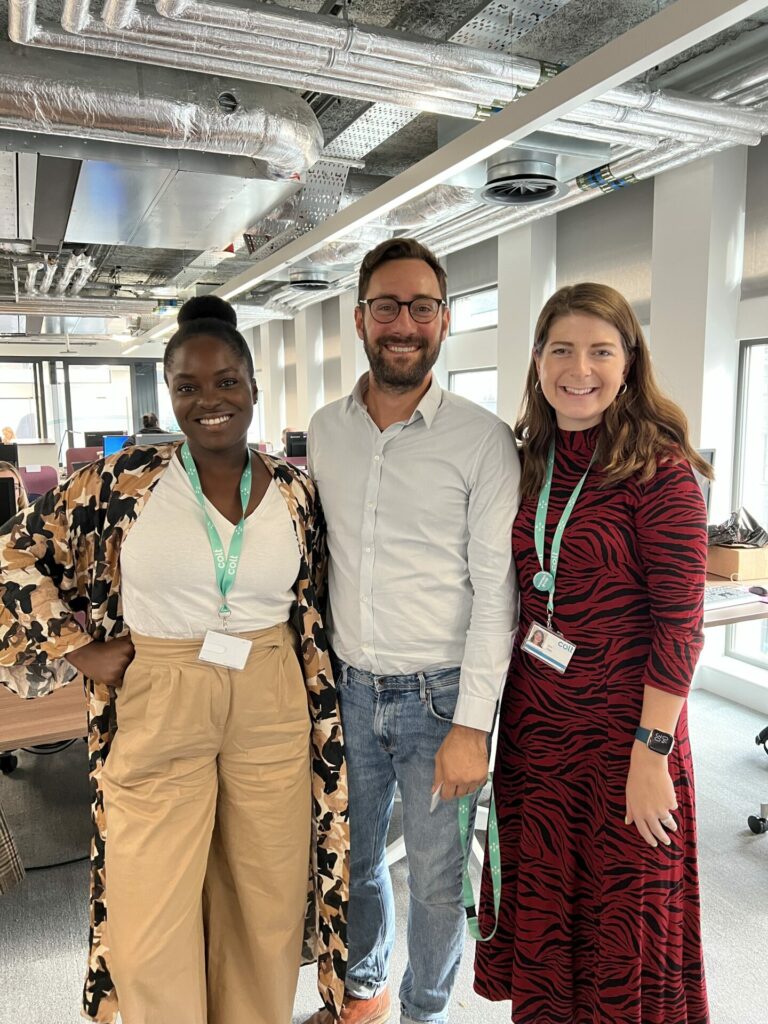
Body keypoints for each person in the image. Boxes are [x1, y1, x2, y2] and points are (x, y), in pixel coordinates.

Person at [0, 295, 348, 1024]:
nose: (209, 400)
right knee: (148, 901)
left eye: (226, 382)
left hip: (269, 690)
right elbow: (15, 553)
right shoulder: (121, 479)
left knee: (264, 895)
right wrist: (78, 648)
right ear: (171, 396)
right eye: (188, 387)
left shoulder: (291, 488)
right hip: (160, 686)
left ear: (253, 388)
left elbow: (315, 602)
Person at [474, 282, 712, 1024]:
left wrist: (651, 754)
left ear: (629, 361)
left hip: (626, 740)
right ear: (537, 361)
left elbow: (682, 628)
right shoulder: (532, 460)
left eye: (600, 351)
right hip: (540, 739)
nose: (580, 369)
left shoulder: (660, 470)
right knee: (551, 930)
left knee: (622, 931)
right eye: (562, 350)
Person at [305, 238, 520, 1024]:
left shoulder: (483, 439)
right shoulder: (325, 431)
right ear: (359, 318)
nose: (404, 323)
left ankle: (425, 1013)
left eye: (421, 307)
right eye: (387, 306)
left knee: (435, 879)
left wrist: (474, 723)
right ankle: (363, 992)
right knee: (353, 861)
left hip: (441, 700)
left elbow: (497, 594)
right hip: (348, 691)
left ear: (445, 319)